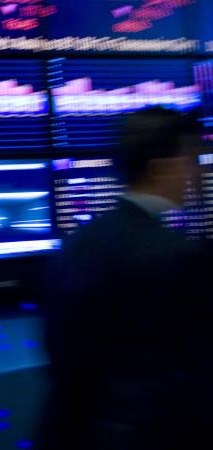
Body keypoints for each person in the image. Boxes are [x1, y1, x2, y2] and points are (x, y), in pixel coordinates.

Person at [40, 107, 213, 450]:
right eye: (189, 161)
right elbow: (191, 370)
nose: (195, 174)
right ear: (159, 168)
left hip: (71, 432)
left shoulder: (76, 245)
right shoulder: (173, 255)